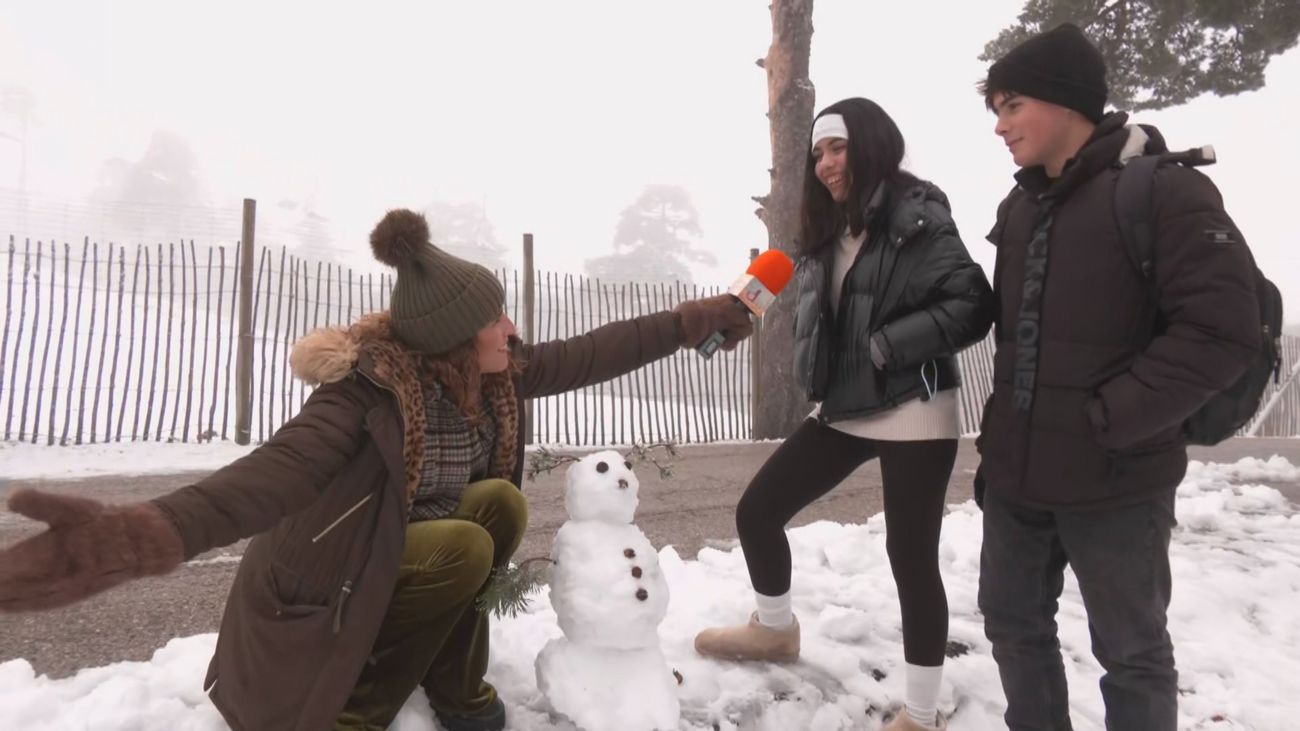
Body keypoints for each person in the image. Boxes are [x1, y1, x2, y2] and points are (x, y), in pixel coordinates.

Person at [0, 208, 754, 731]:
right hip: (331, 594)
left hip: (406, 562)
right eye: (497, 317)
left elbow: (592, 351)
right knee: (465, 544)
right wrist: (136, 535)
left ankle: (454, 687)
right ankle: (354, 709)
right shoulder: (364, 395)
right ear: (456, 338)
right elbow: (270, 474)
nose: (512, 327)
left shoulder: (493, 374)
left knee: (496, 508)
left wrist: (691, 322)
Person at [974, 23, 1261, 731]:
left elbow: (1223, 330)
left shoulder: (1164, 193)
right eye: (996, 110)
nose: (1001, 126)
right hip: (1018, 481)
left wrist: (1111, 420)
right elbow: (1015, 339)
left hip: (1119, 480)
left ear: (1066, 100)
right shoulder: (1019, 207)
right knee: (1013, 630)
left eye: (1013, 106)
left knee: (1131, 651)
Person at [693, 97, 995, 731]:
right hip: (849, 403)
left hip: (914, 401)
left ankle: (920, 712)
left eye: (839, 148)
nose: (828, 164)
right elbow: (800, 299)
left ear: (873, 144)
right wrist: (737, 319)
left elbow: (972, 303)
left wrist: (892, 344)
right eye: (819, 153)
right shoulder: (827, 230)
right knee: (759, 510)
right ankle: (775, 630)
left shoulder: (917, 215)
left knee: (910, 554)